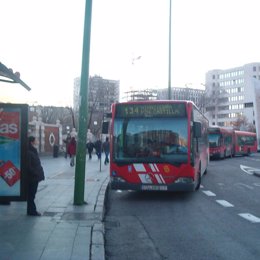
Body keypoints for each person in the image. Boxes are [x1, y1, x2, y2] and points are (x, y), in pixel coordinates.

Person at [27, 136, 45, 216]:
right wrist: (36, 173)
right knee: (31, 195)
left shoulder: (33, 151)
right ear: (32, 142)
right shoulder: (29, 152)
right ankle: (32, 211)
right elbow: (29, 166)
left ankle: (31, 210)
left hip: (34, 177)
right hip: (32, 178)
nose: (37, 141)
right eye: (36, 140)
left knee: (32, 194)